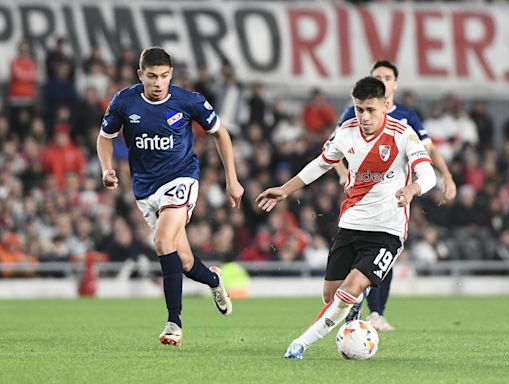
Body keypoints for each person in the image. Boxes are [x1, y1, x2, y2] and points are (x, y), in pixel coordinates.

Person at [256, 77, 436, 359]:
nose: (364, 116)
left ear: (386, 105)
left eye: (371, 110)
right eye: (358, 109)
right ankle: (354, 302)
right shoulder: (346, 132)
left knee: (350, 288)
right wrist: (284, 190)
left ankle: (300, 344)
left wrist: (413, 188)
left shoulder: (403, 133)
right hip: (351, 224)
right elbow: (320, 164)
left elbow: (428, 174)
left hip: (387, 231)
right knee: (331, 295)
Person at [96, 47, 244, 347]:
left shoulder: (188, 100)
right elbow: (104, 138)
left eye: (164, 76)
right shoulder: (124, 102)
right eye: (152, 76)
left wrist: (232, 179)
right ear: (141, 75)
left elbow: (220, 134)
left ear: (171, 75)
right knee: (186, 261)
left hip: (181, 179)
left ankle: (174, 322)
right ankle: (214, 280)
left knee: (162, 242)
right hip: (145, 189)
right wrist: (106, 169)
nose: (158, 82)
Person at [336, 60, 457, 330]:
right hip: (362, 194)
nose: (384, 80)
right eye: (378, 76)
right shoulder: (354, 113)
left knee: (386, 252)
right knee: (357, 248)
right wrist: (344, 175)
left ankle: (376, 312)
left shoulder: (407, 116)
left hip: (396, 195)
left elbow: (428, 149)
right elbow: (332, 150)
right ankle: (353, 300)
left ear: (395, 83)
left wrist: (446, 175)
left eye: (388, 77)